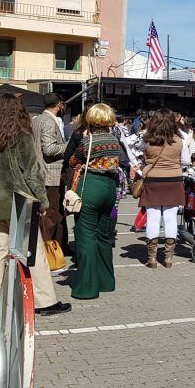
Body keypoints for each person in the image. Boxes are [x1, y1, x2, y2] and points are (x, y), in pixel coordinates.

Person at [0, 94, 71, 316]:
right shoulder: (20, 137)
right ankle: (45, 301)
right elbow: (33, 173)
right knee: (33, 249)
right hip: (18, 200)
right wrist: (43, 201)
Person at [67, 103, 122, 300]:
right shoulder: (114, 139)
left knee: (86, 235)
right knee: (103, 235)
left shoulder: (88, 141)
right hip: (109, 188)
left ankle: (87, 287)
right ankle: (106, 280)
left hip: (91, 184)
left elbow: (72, 161)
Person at [139, 109, 189, 269]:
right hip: (174, 180)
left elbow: (142, 153)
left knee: (153, 218)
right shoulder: (180, 139)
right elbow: (186, 161)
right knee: (170, 218)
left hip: (152, 179)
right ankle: (168, 258)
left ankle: (152, 258)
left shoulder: (147, 139)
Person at [32, 93, 69, 257]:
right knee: (52, 214)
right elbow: (49, 149)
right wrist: (68, 146)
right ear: (59, 104)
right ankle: (49, 251)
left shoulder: (38, 119)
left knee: (55, 212)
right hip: (50, 173)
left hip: (44, 172)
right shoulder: (47, 121)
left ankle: (60, 246)